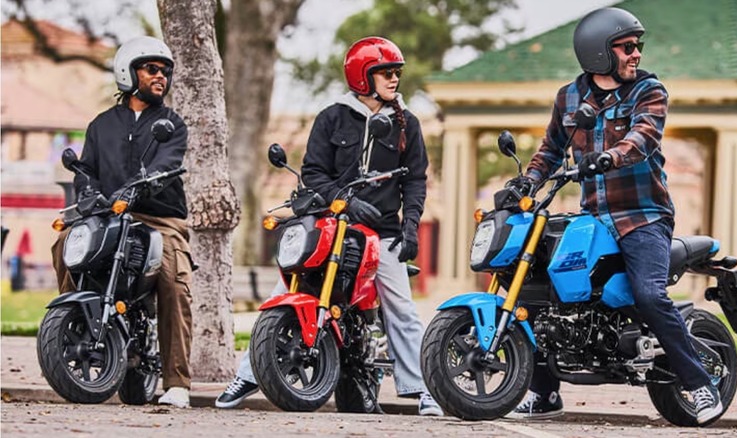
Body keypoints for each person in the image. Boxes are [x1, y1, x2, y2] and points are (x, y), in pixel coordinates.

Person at [506, 7, 722, 425]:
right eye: (627, 47)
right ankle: (544, 392)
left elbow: (643, 137)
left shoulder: (649, 90)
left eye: (638, 46)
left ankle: (699, 385)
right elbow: (551, 149)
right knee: (538, 289)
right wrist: (526, 183)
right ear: (600, 54)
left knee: (648, 295)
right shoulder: (569, 97)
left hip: (643, 216)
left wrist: (609, 156)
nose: (636, 53)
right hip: (593, 217)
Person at [215, 36, 443, 417]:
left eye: (395, 73)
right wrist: (348, 201)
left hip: (383, 232)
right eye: (384, 72)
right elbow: (313, 173)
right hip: (329, 224)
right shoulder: (333, 117)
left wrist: (410, 227)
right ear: (361, 77)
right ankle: (249, 373)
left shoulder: (407, 124)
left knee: (402, 309)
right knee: (282, 291)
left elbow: (415, 180)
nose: (393, 79)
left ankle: (424, 390)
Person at [51, 36, 194, 408]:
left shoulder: (171, 123)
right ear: (128, 73)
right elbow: (86, 169)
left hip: (158, 217)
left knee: (172, 276)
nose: (160, 76)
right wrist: (87, 192)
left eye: (165, 71)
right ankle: (74, 324)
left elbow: (166, 165)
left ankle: (177, 381)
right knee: (65, 243)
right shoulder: (101, 125)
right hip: (108, 212)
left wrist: (136, 190)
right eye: (151, 69)